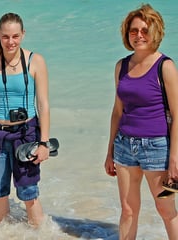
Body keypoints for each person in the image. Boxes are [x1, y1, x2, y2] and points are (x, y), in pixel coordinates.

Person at [104, 4, 178, 239]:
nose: (139, 36)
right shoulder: (122, 66)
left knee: (165, 209)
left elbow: (177, 115)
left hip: (157, 148)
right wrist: (110, 151)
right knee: (127, 210)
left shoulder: (164, 66)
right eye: (133, 31)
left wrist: (174, 158)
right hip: (125, 146)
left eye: (144, 30)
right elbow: (117, 111)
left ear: (155, 32)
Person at [0, 13, 50, 227]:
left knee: (28, 192)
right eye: (6, 36)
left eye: (15, 36)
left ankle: (40, 234)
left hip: (26, 134)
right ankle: (3, 233)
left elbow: (43, 104)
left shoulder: (35, 61)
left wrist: (44, 143)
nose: (11, 42)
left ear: (23, 35)